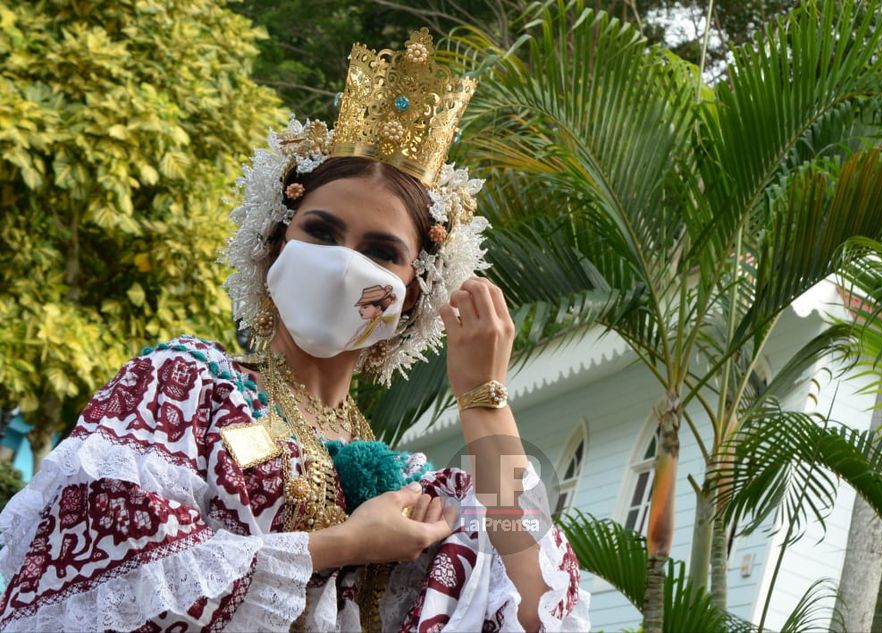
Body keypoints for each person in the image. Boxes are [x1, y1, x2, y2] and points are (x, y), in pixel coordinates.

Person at [0, 28, 590, 632]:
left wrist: (484, 402)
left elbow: (538, 607)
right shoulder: (181, 386)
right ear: (276, 242)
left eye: (381, 252)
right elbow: (98, 582)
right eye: (322, 232)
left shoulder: (413, 489)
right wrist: (344, 545)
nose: (341, 265)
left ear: (415, 294)